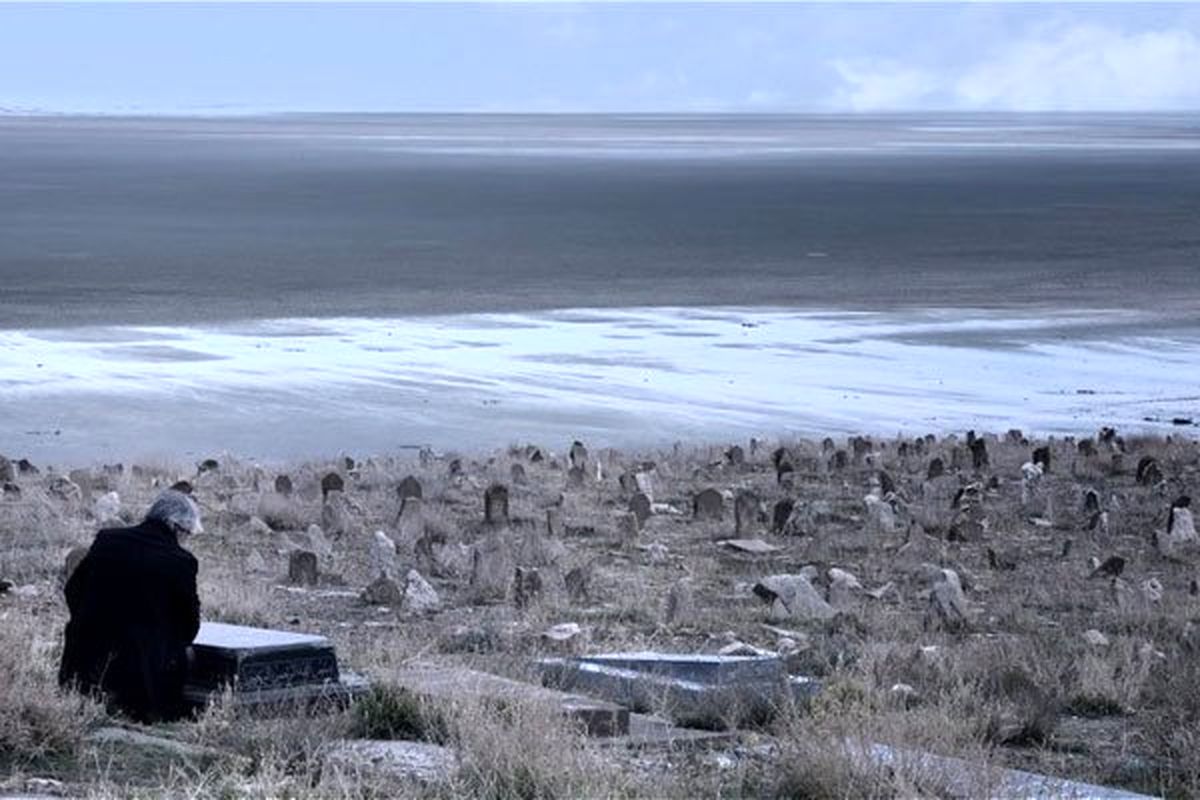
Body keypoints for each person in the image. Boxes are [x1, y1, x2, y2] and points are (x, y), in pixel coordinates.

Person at [59, 489, 202, 723]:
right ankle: (164, 711)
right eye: (187, 533)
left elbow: (73, 589)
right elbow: (189, 628)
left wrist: (90, 623)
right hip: (138, 684)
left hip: (82, 667)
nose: (186, 540)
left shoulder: (108, 539)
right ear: (175, 526)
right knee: (186, 654)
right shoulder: (181, 562)